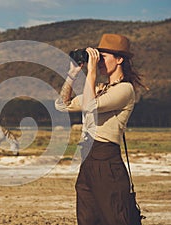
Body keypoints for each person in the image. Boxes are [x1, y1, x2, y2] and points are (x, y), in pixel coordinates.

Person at [55, 33, 146, 225]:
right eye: (98, 56)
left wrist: (92, 72)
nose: (99, 61)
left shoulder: (125, 90)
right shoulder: (99, 88)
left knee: (115, 218)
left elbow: (90, 106)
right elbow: (63, 105)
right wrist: (72, 74)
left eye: (103, 57)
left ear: (120, 59)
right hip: (87, 160)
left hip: (107, 162)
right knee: (87, 220)